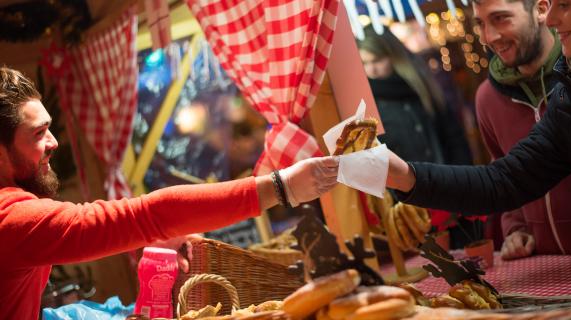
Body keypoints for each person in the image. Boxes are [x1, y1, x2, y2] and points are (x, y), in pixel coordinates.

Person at [0, 67, 339, 319]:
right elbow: (145, 215)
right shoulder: (11, 218)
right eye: (38, 133)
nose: (53, 143)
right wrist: (281, 186)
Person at [385, 0, 571, 261]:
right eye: (481, 23)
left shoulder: (569, 90)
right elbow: (503, 180)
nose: (550, 20)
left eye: (564, 5)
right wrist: (404, 175)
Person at [472, 0, 571, 260]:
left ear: (541, 9)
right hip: (547, 265)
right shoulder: (486, 98)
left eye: (501, 18)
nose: (488, 37)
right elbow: (502, 168)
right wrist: (515, 228)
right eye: (480, 23)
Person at [357, 26, 477, 248]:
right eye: (364, 63)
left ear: (393, 56)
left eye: (377, 60)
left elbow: (454, 138)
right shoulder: (365, 104)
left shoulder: (421, 87)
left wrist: (463, 186)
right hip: (406, 209)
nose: (371, 68)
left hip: (447, 190)